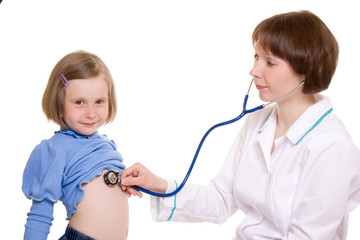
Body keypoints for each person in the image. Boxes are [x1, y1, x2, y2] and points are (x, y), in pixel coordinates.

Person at [120, 10, 360, 239]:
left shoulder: (332, 146)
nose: (253, 70)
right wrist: (159, 185)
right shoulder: (258, 122)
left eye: (270, 62)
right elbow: (221, 198)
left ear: (306, 69)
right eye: (256, 56)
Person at [22, 50, 128, 240]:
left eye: (99, 102)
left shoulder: (106, 145)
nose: (90, 113)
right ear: (59, 102)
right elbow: (40, 215)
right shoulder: (54, 150)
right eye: (79, 102)